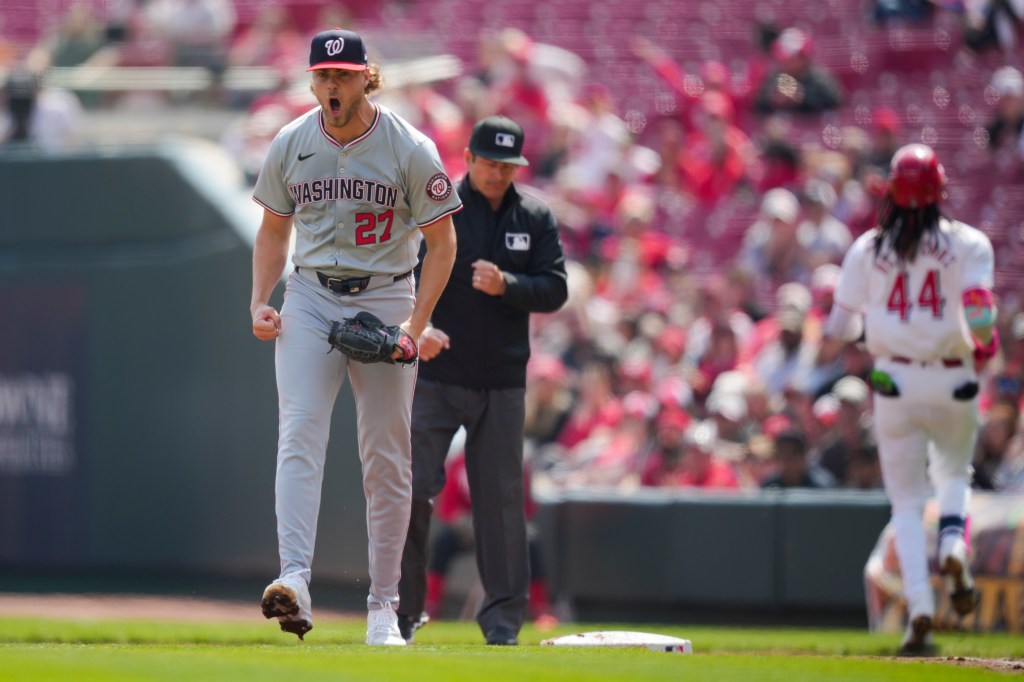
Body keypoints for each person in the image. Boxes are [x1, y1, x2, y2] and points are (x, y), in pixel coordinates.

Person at [249, 28, 461, 646]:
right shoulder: (292, 142)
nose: (332, 86)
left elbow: (444, 244)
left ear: (368, 77)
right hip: (311, 295)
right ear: (312, 80)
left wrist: (413, 329)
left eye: (343, 75)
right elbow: (271, 231)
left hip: (387, 293)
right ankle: (293, 579)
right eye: (323, 75)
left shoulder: (408, 146)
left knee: (386, 458)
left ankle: (383, 608)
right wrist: (260, 301)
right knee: (299, 433)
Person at [396, 115, 569, 646]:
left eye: (507, 164)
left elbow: (555, 288)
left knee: (500, 502)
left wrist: (508, 284)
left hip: (501, 381)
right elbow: (400, 275)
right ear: (468, 159)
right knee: (413, 489)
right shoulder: (437, 204)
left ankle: (502, 625)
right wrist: (418, 326)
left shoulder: (535, 215)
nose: (498, 173)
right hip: (436, 375)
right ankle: (398, 615)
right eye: (490, 162)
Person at [823, 143, 996, 656]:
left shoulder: (866, 248)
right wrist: (985, 346)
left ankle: (919, 611)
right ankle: (952, 543)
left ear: (891, 192)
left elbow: (839, 327)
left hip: (893, 379)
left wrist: (873, 334)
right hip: (953, 375)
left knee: (905, 499)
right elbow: (980, 310)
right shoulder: (969, 243)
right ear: (939, 190)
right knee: (953, 475)